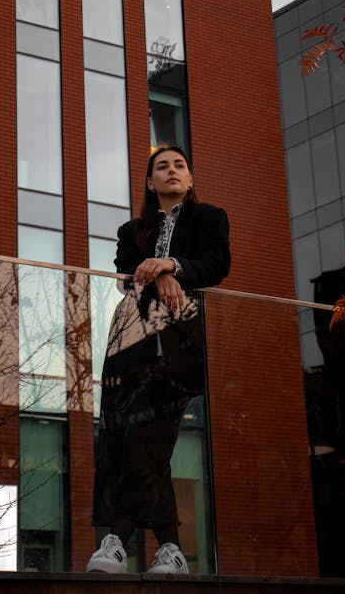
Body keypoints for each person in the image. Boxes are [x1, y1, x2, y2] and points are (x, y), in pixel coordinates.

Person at [87, 145, 230, 575]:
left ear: (189, 179)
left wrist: (170, 263)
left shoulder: (210, 218)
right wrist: (164, 272)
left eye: (180, 166)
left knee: (148, 436)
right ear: (150, 183)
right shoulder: (131, 229)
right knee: (124, 437)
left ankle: (116, 537)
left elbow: (216, 265)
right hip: (130, 344)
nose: (172, 171)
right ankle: (171, 550)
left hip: (181, 341)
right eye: (162, 167)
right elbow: (127, 270)